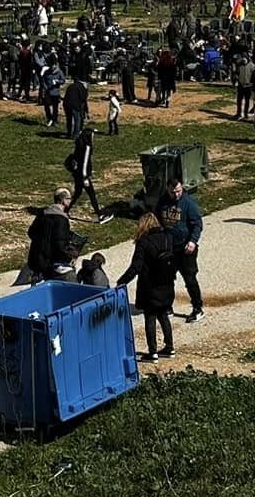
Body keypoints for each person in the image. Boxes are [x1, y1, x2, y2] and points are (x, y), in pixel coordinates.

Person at [115, 210, 179, 360]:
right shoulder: (168, 238)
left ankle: (153, 351)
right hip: (167, 284)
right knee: (163, 315)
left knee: (150, 317)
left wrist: (121, 282)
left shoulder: (144, 242)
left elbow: (135, 267)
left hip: (150, 286)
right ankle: (169, 347)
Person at [162, 177, 205, 320]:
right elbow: (157, 220)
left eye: (178, 191)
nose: (176, 195)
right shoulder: (162, 202)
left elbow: (197, 224)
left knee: (190, 279)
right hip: (169, 248)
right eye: (173, 192)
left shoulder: (188, 203)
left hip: (186, 249)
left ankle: (198, 308)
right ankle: (167, 307)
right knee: (166, 279)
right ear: (167, 189)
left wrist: (192, 241)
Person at [20, 188, 76, 283]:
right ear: (63, 200)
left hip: (36, 258)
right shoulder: (61, 220)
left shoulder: (43, 214)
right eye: (69, 198)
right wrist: (69, 257)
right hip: (50, 263)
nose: (70, 201)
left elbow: (31, 232)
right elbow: (60, 244)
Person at [65, 127, 106, 220]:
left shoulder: (79, 143)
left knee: (78, 193)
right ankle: (100, 215)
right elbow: (85, 163)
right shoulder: (87, 147)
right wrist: (85, 177)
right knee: (91, 194)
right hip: (82, 175)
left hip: (76, 173)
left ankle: (65, 211)